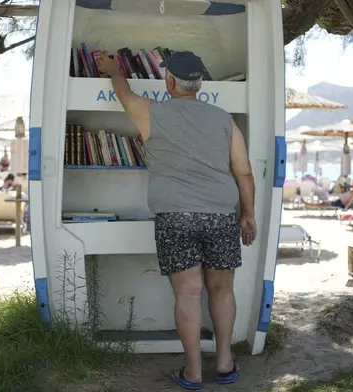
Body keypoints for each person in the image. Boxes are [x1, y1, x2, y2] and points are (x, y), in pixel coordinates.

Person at [97, 50, 255, 389]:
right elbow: (243, 172)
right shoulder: (224, 120)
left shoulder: (150, 113)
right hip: (221, 216)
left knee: (187, 293)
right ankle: (225, 364)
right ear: (198, 84)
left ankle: (194, 372)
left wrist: (113, 69)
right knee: (222, 289)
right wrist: (249, 215)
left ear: (169, 81)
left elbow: (123, 92)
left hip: (176, 218)